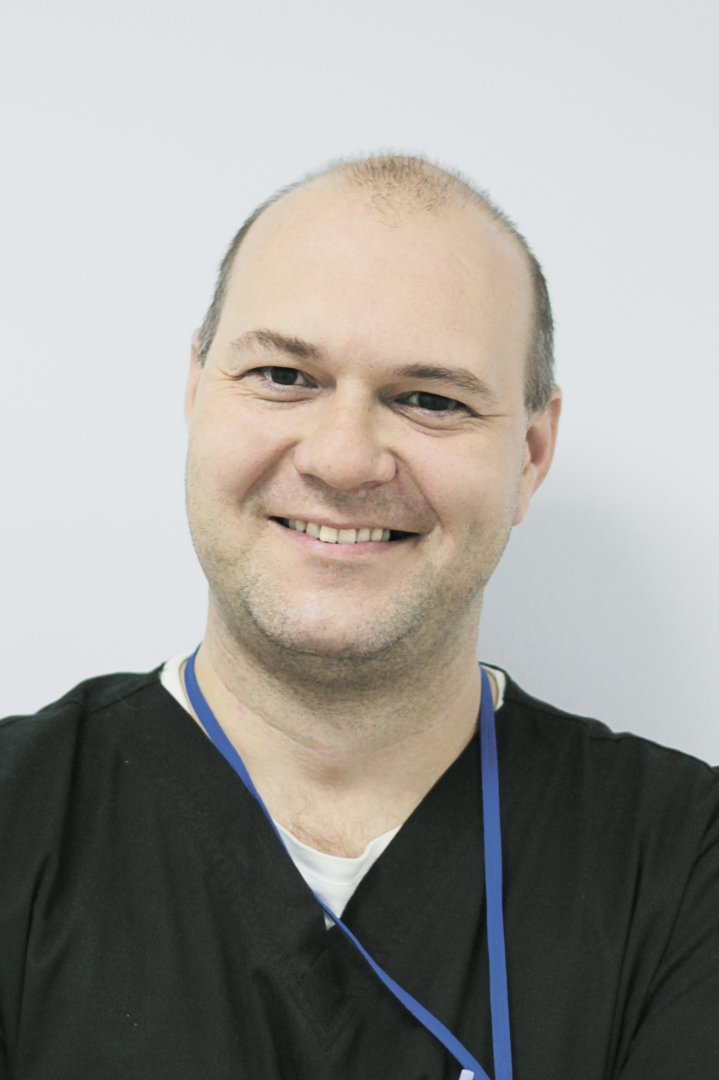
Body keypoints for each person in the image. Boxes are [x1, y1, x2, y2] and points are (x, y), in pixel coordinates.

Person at [1, 155, 717, 1080]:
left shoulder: (683, 864)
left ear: (530, 456)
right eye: (282, 375)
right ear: (195, 392)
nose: (342, 460)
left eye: (430, 400)